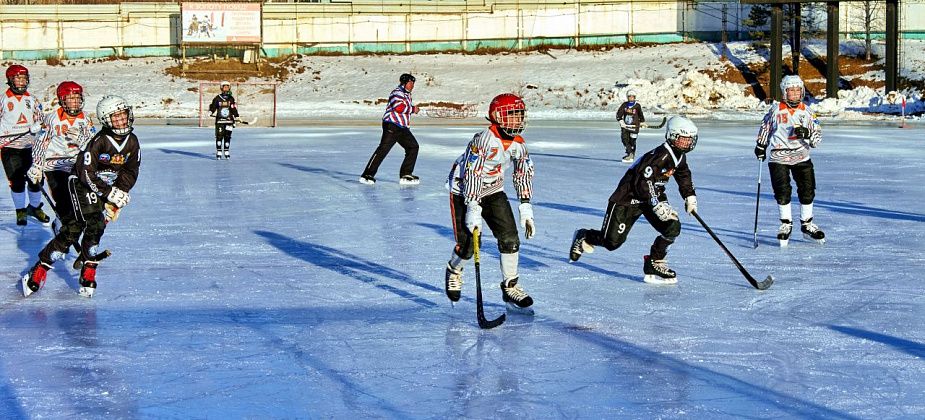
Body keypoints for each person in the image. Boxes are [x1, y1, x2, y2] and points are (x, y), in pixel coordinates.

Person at [22, 95, 140, 298]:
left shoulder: (133, 142)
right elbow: (86, 173)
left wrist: (120, 192)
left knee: (79, 228)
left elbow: (130, 170)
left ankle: (82, 265)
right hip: (81, 184)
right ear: (106, 120)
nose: (122, 121)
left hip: (103, 188)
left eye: (124, 116)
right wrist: (109, 192)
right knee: (90, 224)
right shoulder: (99, 141)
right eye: (116, 117)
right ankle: (46, 268)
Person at [569, 116, 699, 285]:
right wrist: (656, 203)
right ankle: (585, 236)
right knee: (612, 243)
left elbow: (683, 175)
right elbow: (643, 182)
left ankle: (654, 262)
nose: (687, 143)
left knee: (672, 227)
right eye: (684, 139)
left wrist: (690, 196)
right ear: (673, 137)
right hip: (627, 199)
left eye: (690, 140)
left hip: (651, 198)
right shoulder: (660, 155)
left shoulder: (679, 155)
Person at [444, 93, 536, 313]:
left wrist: (525, 206)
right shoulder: (483, 140)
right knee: (468, 246)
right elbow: (473, 173)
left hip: (493, 189)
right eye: (511, 115)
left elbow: (523, 173)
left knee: (510, 238)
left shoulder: (519, 145)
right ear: (497, 116)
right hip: (463, 190)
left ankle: (510, 286)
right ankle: (454, 270)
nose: (517, 120)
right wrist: (473, 208)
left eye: (519, 115)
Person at [755, 75, 825, 247]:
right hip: (779, 156)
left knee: (807, 190)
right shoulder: (775, 110)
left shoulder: (807, 112)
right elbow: (766, 127)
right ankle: (786, 224)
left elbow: (817, 138)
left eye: (797, 90)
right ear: (784, 92)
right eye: (791, 91)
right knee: (782, 191)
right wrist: (761, 146)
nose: (794, 94)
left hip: (801, 156)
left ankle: (807, 224)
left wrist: (808, 135)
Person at [28, 81, 96, 231]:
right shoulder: (52, 119)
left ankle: (62, 225)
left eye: (77, 98)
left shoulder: (86, 119)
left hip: (76, 165)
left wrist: (82, 142)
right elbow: (41, 142)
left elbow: (92, 145)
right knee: (63, 200)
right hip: (54, 165)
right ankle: (61, 232)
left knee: (78, 200)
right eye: (70, 98)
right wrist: (37, 166)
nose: (75, 102)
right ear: (62, 100)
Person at [0, 64, 50, 226]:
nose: (21, 82)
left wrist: (38, 126)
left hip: (31, 147)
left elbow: (42, 120)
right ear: (10, 80)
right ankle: (20, 210)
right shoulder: (3, 100)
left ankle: (34, 208)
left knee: (36, 179)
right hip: (10, 148)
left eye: (24, 78)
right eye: (17, 78)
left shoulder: (32, 99)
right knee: (17, 181)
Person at [359, 73, 421, 185]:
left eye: (413, 83)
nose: (412, 85)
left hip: (402, 128)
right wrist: (412, 109)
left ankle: (406, 174)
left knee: (413, 147)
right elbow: (398, 107)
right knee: (383, 149)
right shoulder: (397, 93)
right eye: (410, 83)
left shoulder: (407, 95)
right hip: (392, 125)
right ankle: (367, 175)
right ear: (404, 83)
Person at [208, 81, 238, 160]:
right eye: (224, 87)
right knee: (219, 136)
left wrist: (236, 116)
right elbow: (213, 106)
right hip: (220, 121)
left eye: (227, 87)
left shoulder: (231, 98)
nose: (226, 88)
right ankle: (219, 151)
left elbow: (233, 108)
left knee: (228, 136)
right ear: (221, 88)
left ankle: (226, 151)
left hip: (229, 121)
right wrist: (211, 111)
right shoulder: (217, 98)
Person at [616, 89, 646, 163]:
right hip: (626, 127)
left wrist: (642, 122)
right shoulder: (624, 105)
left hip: (634, 127)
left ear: (635, 97)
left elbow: (640, 115)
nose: (631, 98)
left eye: (633, 97)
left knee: (632, 142)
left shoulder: (637, 106)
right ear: (627, 97)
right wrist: (621, 121)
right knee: (625, 140)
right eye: (629, 97)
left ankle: (631, 155)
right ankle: (629, 153)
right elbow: (619, 114)